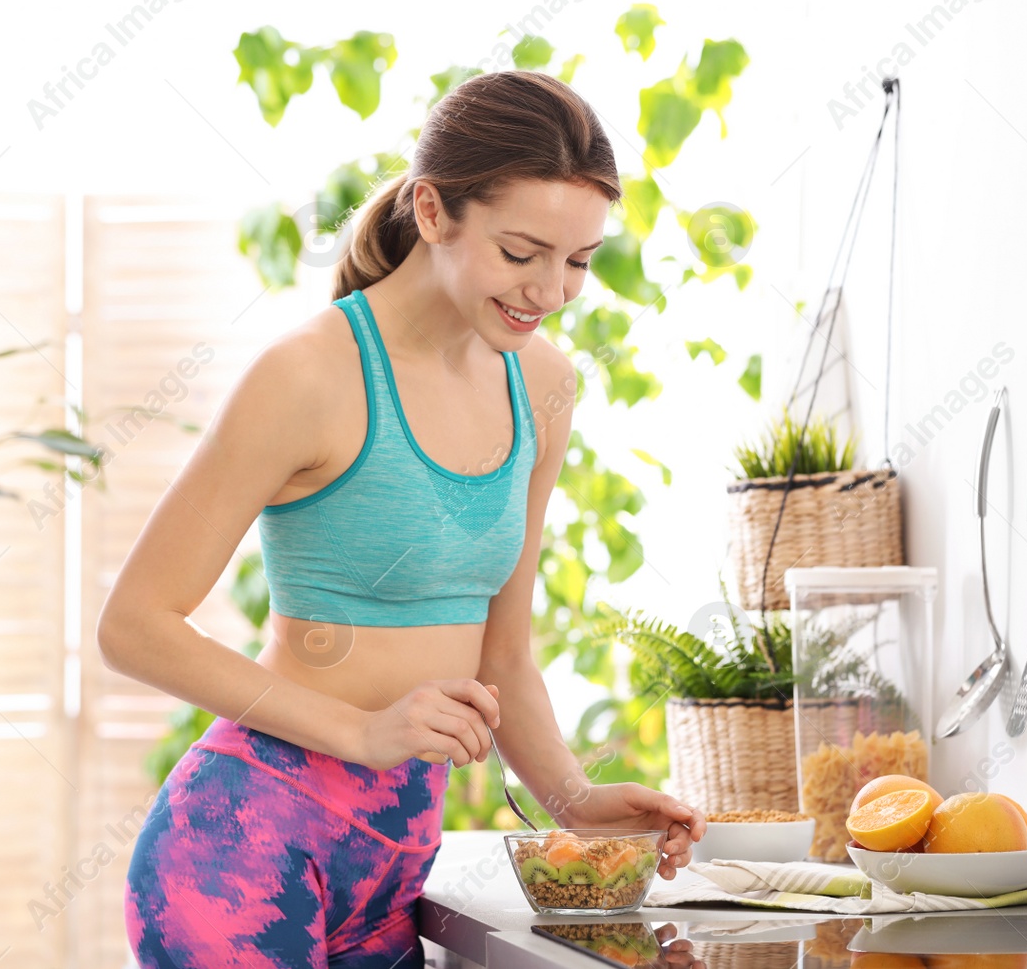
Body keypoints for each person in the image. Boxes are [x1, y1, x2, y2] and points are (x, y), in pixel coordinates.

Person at [102, 70, 705, 969]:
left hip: (390, 874)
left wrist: (574, 802)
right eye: (522, 252)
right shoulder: (310, 374)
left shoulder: (543, 384)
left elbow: (501, 656)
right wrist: (361, 733)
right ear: (432, 210)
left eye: (577, 261)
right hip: (242, 849)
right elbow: (134, 627)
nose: (551, 289)